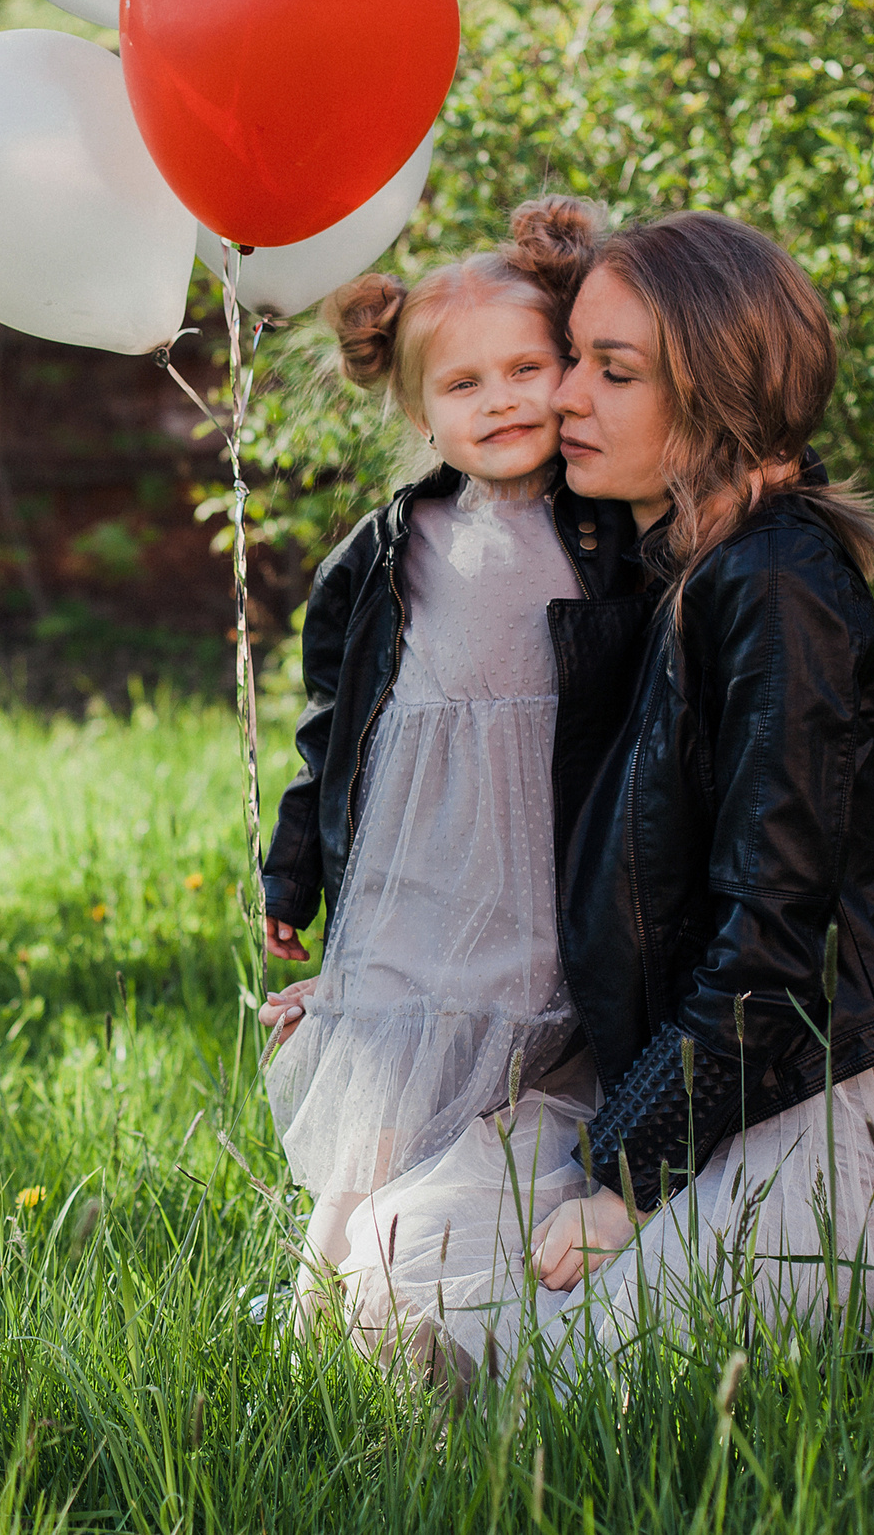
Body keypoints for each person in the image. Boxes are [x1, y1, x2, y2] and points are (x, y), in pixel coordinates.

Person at [337, 210, 874, 1379]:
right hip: (674, 1074)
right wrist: (363, 951)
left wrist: (627, 1182)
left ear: (716, 391)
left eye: (610, 371)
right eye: (571, 357)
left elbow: (779, 929)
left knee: (575, 1369)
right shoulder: (667, 560)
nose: (561, 397)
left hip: (791, 1087)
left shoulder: (782, 590)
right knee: (386, 1257)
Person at [254, 196, 643, 1329]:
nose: (503, 399)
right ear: (418, 409)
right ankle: (325, 1301)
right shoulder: (391, 549)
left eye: (527, 367)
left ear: (569, 366)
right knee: (390, 1071)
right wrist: (293, 880)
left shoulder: (613, 528)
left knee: (511, 1065)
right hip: (420, 877)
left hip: (544, 870)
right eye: (464, 385)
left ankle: (458, 1254)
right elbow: (334, 725)